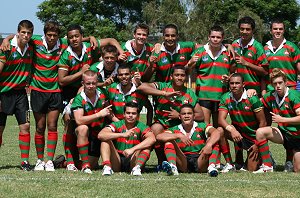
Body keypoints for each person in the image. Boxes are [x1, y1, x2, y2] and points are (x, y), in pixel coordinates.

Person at [0, 22, 100, 172]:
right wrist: (6, 40)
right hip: (36, 91)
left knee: (52, 126)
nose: (52, 38)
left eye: (55, 35)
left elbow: (77, 39)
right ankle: (39, 160)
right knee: (40, 127)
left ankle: (49, 161)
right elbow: (19, 36)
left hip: (54, 92)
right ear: (44, 34)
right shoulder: (35, 40)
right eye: (49, 35)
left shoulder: (63, 43)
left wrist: (90, 37)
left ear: (59, 36)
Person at [58, 24, 123, 171]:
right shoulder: (89, 67)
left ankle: (84, 162)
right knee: (72, 121)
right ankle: (70, 161)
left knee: (95, 159)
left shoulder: (118, 68)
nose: (109, 60)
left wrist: (122, 51)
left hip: (96, 97)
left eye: (77, 36)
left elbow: (111, 39)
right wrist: (80, 92)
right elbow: (69, 81)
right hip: (75, 94)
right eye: (106, 57)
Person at [138, 65, 204, 169]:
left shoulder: (190, 93)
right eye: (177, 75)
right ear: (171, 77)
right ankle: (161, 162)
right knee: (155, 128)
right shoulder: (163, 86)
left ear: (186, 77)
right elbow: (142, 87)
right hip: (162, 126)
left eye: (182, 75)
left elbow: (200, 116)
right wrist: (163, 94)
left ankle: (181, 161)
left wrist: (179, 116)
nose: (179, 78)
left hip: (179, 128)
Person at [264, 19, 300, 171]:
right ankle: (265, 157)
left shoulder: (291, 47)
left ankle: (289, 161)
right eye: (275, 29)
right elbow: (262, 70)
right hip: (271, 93)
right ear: (270, 30)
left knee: (288, 127)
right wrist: (263, 91)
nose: (277, 31)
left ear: (284, 30)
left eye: (280, 29)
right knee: (264, 124)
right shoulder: (265, 48)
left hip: (289, 91)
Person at [0, 20, 34, 171]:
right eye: (23, 32)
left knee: (25, 126)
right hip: (3, 93)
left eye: (29, 33)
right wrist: (6, 39)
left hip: (20, 93)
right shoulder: (6, 49)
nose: (26, 35)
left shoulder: (31, 47)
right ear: (18, 32)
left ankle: (25, 162)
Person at [186, 25, 233, 127]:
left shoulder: (228, 53)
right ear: (208, 37)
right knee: (205, 126)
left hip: (222, 96)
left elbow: (234, 73)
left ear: (223, 38)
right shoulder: (200, 51)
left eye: (218, 37)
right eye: (213, 37)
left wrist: (229, 79)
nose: (215, 39)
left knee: (219, 127)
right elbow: (187, 71)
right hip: (204, 95)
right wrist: (189, 63)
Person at [254, 69, 300, 173]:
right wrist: (251, 93)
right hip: (284, 133)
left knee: (298, 170)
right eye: (275, 83)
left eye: (280, 83)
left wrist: (282, 119)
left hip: (298, 136)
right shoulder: (271, 96)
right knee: (260, 132)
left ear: (286, 83)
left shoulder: (293, 96)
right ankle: (267, 165)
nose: (278, 86)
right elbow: (257, 102)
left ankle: (292, 161)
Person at [218, 73, 267, 171]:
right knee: (219, 131)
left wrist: (258, 143)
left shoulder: (252, 98)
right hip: (238, 133)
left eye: (237, 83)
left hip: (253, 137)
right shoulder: (225, 97)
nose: (234, 86)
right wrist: (232, 130)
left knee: (251, 169)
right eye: (232, 83)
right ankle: (230, 163)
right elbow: (221, 120)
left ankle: (264, 157)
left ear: (243, 84)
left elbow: (263, 122)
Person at [156, 104, 221, 176]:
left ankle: (211, 167)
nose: (186, 116)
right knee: (169, 141)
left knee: (212, 140)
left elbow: (217, 132)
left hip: (200, 159)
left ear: (194, 116)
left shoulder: (202, 126)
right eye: (183, 114)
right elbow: (159, 137)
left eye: (189, 113)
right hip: (183, 160)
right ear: (179, 117)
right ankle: (173, 167)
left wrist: (209, 145)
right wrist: (178, 135)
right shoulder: (174, 129)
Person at [71, 70, 112, 174]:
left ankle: (70, 163)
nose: (91, 86)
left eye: (93, 83)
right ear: (83, 84)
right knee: (83, 128)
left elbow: (109, 112)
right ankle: (84, 165)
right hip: (86, 133)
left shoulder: (103, 93)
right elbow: (79, 120)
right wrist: (99, 114)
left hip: (99, 132)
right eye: (88, 83)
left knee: (93, 165)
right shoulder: (79, 99)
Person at [98, 101, 156, 176]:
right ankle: (107, 167)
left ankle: (137, 168)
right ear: (124, 114)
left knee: (147, 145)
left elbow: (152, 139)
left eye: (133, 113)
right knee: (105, 140)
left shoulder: (142, 126)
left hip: (133, 158)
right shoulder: (117, 124)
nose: (130, 115)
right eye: (128, 113)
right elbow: (101, 135)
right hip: (117, 159)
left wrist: (132, 149)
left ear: (138, 115)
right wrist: (122, 135)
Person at [231, 16, 269, 96]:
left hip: (254, 92)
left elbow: (265, 72)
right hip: (237, 92)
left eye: (248, 29)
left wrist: (246, 63)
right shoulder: (234, 44)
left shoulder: (257, 47)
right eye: (242, 29)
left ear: (253, 31)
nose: (244, 32)